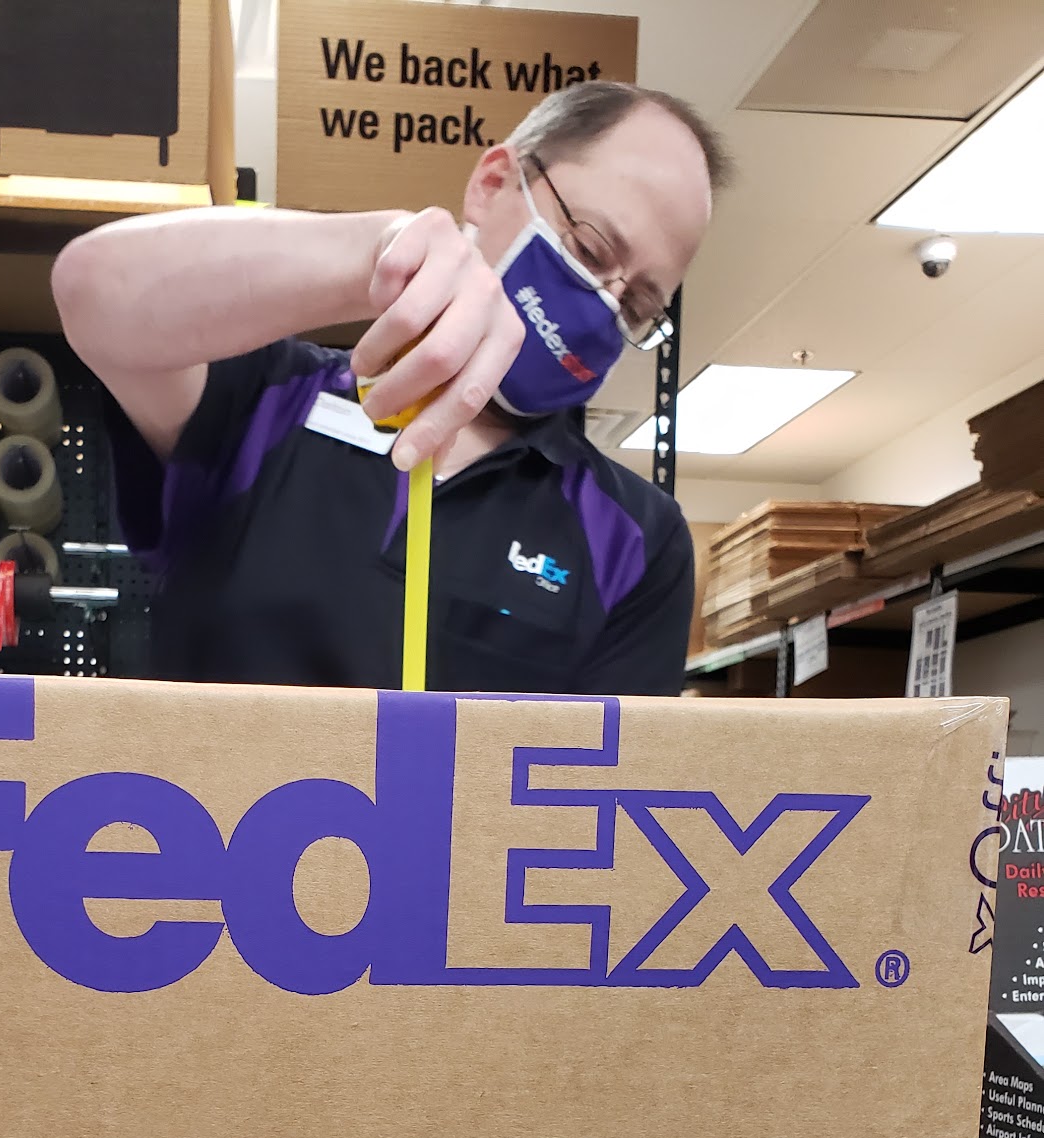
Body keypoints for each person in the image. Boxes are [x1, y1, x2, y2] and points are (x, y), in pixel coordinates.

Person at [53, 81, 730, 695]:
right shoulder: (267, 398)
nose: (604, 303)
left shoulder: (637, 540)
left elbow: (601, 783)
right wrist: (378, 254)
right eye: (589, 249)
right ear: (495, 182)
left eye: (637, 304)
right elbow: (93, 289)